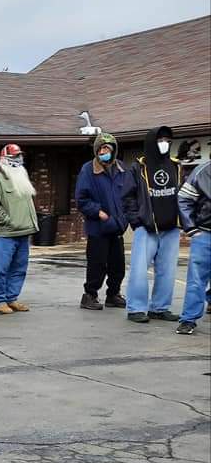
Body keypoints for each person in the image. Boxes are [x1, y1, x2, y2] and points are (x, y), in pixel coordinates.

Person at [122, 126, 182, 323]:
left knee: (168, 270)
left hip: (171, 227)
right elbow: (127, 196)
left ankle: (159, 307)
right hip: (147, 227)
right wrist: (137, 221)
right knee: (139, 270)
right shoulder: (138, 167)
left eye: (167, 140)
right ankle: (136, 308)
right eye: (160, 139)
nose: (165, 143)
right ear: (150, 142)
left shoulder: (176, 165)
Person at [75, 133, 130, 311]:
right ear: (96, 150)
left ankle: (113, 294)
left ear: (114, 150)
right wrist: (98, 212)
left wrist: (125, 216)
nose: (104, 152)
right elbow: (81, 200)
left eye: (108, 149)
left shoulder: (122, 169)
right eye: (101, 149)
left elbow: (129, 195)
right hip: (98, 227)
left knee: (118, 265)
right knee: (97, 264)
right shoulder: (88, 170)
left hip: (117, 226)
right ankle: (90, 295)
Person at [0, 144, 38, 314]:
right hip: (5, 233)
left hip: (24, 231)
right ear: (5, 159)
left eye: (19, 156)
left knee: (19, 268)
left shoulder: (22, 176)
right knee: (1, 268)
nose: (18, 160)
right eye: (14, 157)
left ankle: (12, 298)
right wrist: (9, 221)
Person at [176, 161, 211, 335]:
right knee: (196, 280)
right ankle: (188, 319)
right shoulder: (202, 171)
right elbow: (184, 198)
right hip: (204, 233)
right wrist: (191, 228)